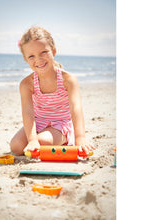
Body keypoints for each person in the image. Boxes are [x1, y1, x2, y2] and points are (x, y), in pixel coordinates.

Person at [10, 26, 95, 156]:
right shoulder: (26, 84)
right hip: (38, 123)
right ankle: (38, 138)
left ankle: (65, 139)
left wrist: (80, 138)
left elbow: (75, 108)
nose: (38, 59)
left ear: (53, 51)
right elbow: (28, 112)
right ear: (26, 59)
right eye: (31, 56)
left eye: (43, 52)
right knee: (16, 147)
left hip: (60, 125)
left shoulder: (68, 80)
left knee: (42, 141)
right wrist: (32, 140)